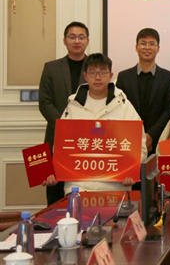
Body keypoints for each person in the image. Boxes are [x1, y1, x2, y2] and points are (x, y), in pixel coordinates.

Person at [43, 53, 147, 194]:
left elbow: (139, 144)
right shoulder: (73, 105)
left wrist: (131, 170)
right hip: (78, 186)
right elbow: (61, 144)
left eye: (103, 72)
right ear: (85, 76)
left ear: (110, 76)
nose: (98, 77)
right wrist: (56, 170)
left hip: (115, 186)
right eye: (92, 72)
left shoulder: (124, 106)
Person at [38, 21, 89, 205]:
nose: (77, 41)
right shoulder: (51, 68)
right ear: (64, 40)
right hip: (56, 136)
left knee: (84, 193)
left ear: (87, 41)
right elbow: (45, 103)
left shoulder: (95, 69)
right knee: (55, 194)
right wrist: (64, 124)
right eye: (72, 37)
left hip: (86, 139)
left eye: (81, 37)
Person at [116, 28, 170, 154]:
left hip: (158, 141)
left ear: (158, 48)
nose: (147, 47)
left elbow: (169, 110)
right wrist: (138, 137)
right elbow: (119, 109)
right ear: (136, 47)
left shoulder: (168, 77)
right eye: (143, 43)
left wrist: (150, 136)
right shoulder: (123, 77)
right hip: (128, 141)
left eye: (152, 44)